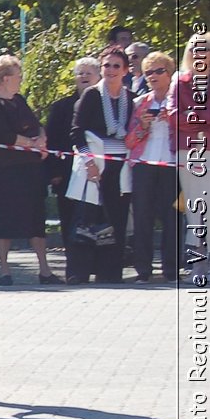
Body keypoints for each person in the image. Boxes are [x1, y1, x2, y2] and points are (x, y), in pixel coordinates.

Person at [0, 54, 58, 285]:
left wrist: (42, 139)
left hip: (30, 171)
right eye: (17, 75)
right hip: (5, 173)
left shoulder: (19, 100)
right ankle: (4, 270)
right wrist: (31, 143)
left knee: (36, 219)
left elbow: (36, 125)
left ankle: (44, 269)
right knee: (4, 220)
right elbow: (3, 135)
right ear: (4, 78)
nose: (20, 79)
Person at [71, 45, 138, 283]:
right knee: (88, 220)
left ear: (125, 70)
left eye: (116, 66)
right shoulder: (91, 95)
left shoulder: (131, 99)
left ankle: (110, 273)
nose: (110, 70)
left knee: (116, 220)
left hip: (121, 168)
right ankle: (80, 273)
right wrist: (89, 162)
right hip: (94, 166)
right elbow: (76, 132)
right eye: (106, 65)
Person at [125, 52, 179, 281]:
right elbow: (129, 140)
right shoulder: (140, 102)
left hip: (172, 163)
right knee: (142, 216)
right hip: (144, 164)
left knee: (173, 217)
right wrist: (143, 126)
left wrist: (172, 120)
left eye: (159, 71)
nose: (153, 76)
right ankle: (143, 269)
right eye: (148, 72)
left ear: (170, 73)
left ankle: (171, 268)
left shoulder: (180, 101)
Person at [49, 57, 99, 283]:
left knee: (98, 223)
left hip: (100, 172)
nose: (85, 76)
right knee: (70, 222)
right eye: (80, 73)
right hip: (68, 175)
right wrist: (55, 173)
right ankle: (74, 271)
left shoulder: (105, 103)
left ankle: (100, 268)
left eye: (89, 72)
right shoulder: (61, 107)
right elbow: (52, 142)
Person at [172, 33, 210, 282]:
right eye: (197, 50)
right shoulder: (180, 80)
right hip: (186, 151)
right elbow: (173, 115)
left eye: (207, 50)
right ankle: (198, 267)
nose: (202, 55)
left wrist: (192, 116)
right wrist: (202, 118)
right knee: (195, 210)